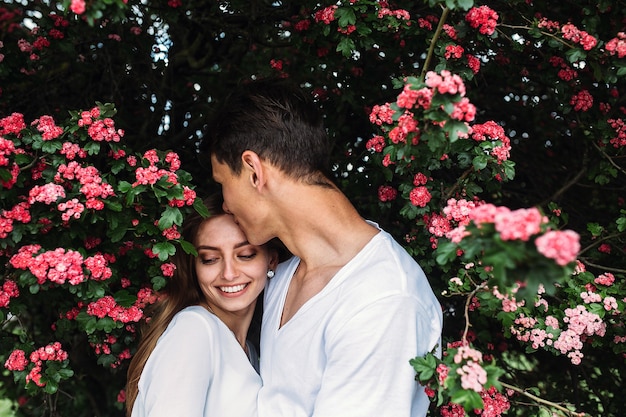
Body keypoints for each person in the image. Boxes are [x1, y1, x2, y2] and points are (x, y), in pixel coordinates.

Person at [208, 80, 443, 417]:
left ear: (253, 171)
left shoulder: (384, 299)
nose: (226, 205)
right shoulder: (282, 271)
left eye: (223, 184)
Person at [125, 194, 278, 417]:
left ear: (271, 260)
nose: (229, 273)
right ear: (195, 267)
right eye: (209, 259)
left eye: (245, 255)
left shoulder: (249, 352)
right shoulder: (195, 330)